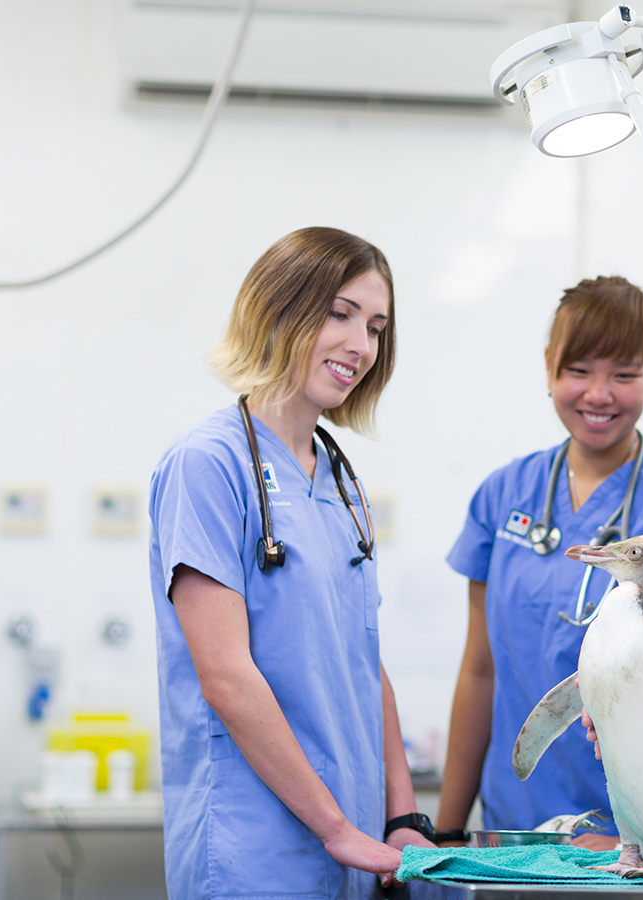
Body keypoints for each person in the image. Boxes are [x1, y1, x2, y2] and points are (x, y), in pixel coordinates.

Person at [148, 227, 434, 899]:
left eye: (375, 326)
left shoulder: (338, 477)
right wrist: (335, 827)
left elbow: (366, 661)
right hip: (256, 852)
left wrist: (399, 816)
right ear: (277, 308)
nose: (361, 346)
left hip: (354, 849)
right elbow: (225, 676)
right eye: (339, 314)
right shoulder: (207, 465)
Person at [437, 276, 643, 849]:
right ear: (549, 367)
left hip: (637, 840)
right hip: (514, 827)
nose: (599, 393)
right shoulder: (504, 495)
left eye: (624, 373)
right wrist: (442, 830)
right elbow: (480, 671)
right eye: (579, 370)